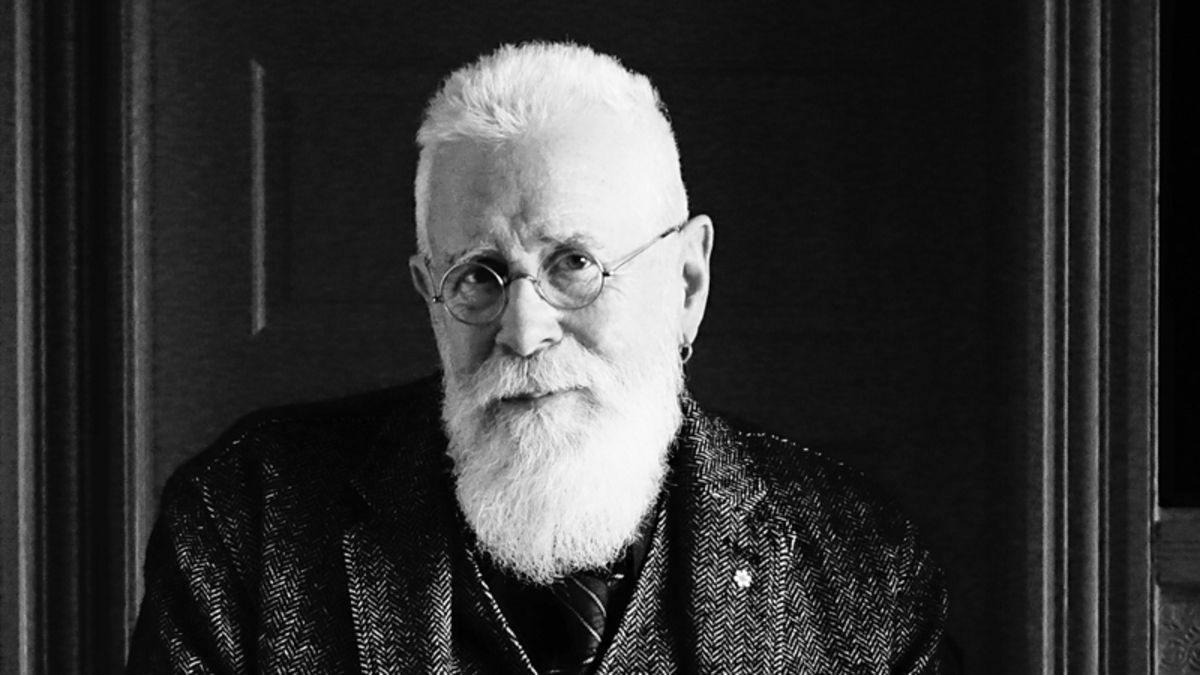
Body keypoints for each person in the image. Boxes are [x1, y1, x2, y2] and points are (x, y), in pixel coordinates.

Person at [127, 41, 947, 674]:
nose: (523, 330)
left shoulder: (862, 565)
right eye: (477, 276)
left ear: (687, 282)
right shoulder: (249, 521)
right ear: (429, 293)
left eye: (575, 264)